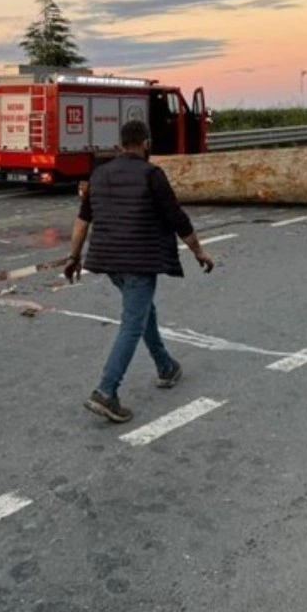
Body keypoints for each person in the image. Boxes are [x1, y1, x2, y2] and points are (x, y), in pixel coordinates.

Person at [63, 120, 214, 424]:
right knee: (133, 323)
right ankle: (106, 392)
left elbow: (82, 220)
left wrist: (73, 257)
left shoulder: (99, 174)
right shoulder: (152, 175)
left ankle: (166, 367)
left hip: (108, 261)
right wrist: (199, 251)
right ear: (146, 143)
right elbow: (177, 219)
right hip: (139, 260)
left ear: (120, 145)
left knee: (143, 311)